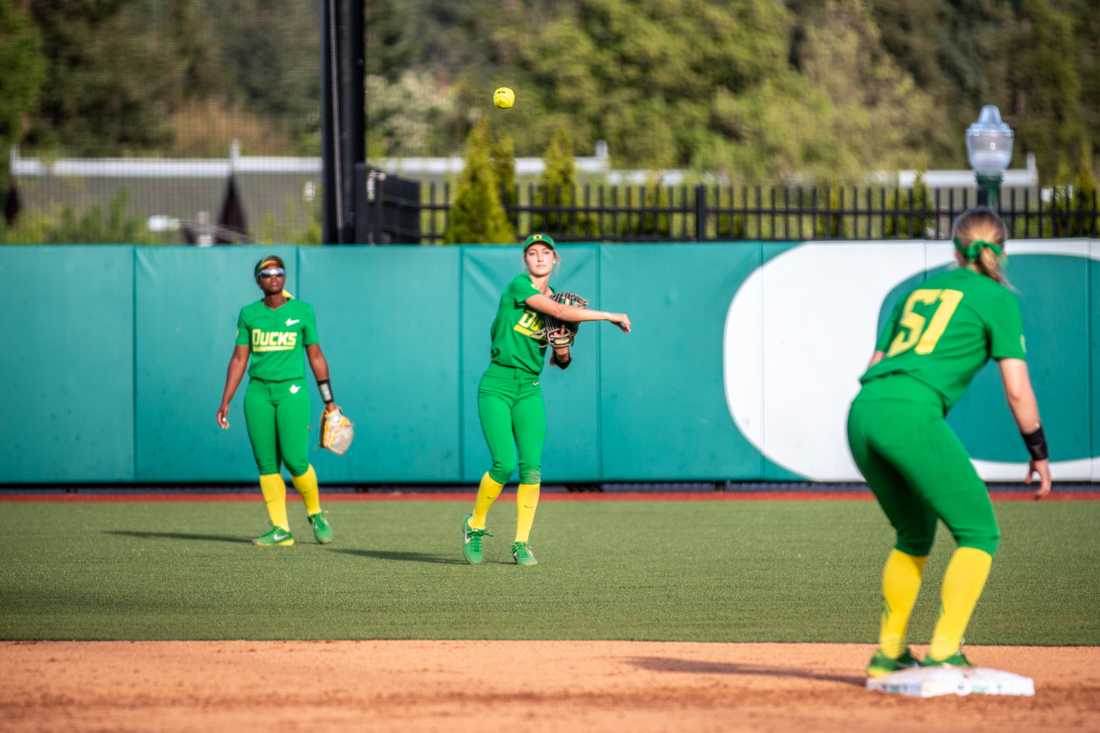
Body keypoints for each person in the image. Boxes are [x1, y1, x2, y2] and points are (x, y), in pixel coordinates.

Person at [848, 206, 1052, 677]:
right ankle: (943, 650)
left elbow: (877, 358)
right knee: (980, 532)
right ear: (1002, 249)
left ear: (955, 248)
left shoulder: (918, 291)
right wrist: (1038, 453)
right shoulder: (997, 298)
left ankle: (890, 654)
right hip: (910, 415)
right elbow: (1018, 390)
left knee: (914, 534)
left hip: (863, 412)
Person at [462, 233, 632, 566]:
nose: (539, 257)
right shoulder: (518, 287)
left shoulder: (558, 301)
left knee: (531, 468)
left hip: (529, 387)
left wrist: (563, 350)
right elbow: (557, 311)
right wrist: (610, 315)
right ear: (525, 260)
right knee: (504, 464)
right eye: (532, 252)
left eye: (545, 253)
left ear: (555, 260)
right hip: (497, 384)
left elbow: (561, 361)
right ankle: (475, 524)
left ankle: (521, 543)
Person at [216, 255, 340, 547]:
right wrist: (226, 401)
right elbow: (239, 359)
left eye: (279, 272)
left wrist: (329, 401)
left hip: (292, 391)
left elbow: (316, 356)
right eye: (267, 272)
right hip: (258, 392)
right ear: (258, 280)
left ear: (284, 278)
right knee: (267, 463)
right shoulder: (249, 314)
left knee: (296, 461)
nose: (274, 276)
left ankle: (315, 513)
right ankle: (280, 529)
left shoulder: (302, 311)